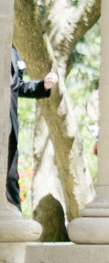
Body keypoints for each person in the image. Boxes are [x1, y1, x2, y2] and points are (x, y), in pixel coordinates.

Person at [8, 47, 56, 210]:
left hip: (8, 132)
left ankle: (15, 227)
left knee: (10, 180)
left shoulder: (12, 51)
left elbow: (17, 87)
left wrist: (43, 85)